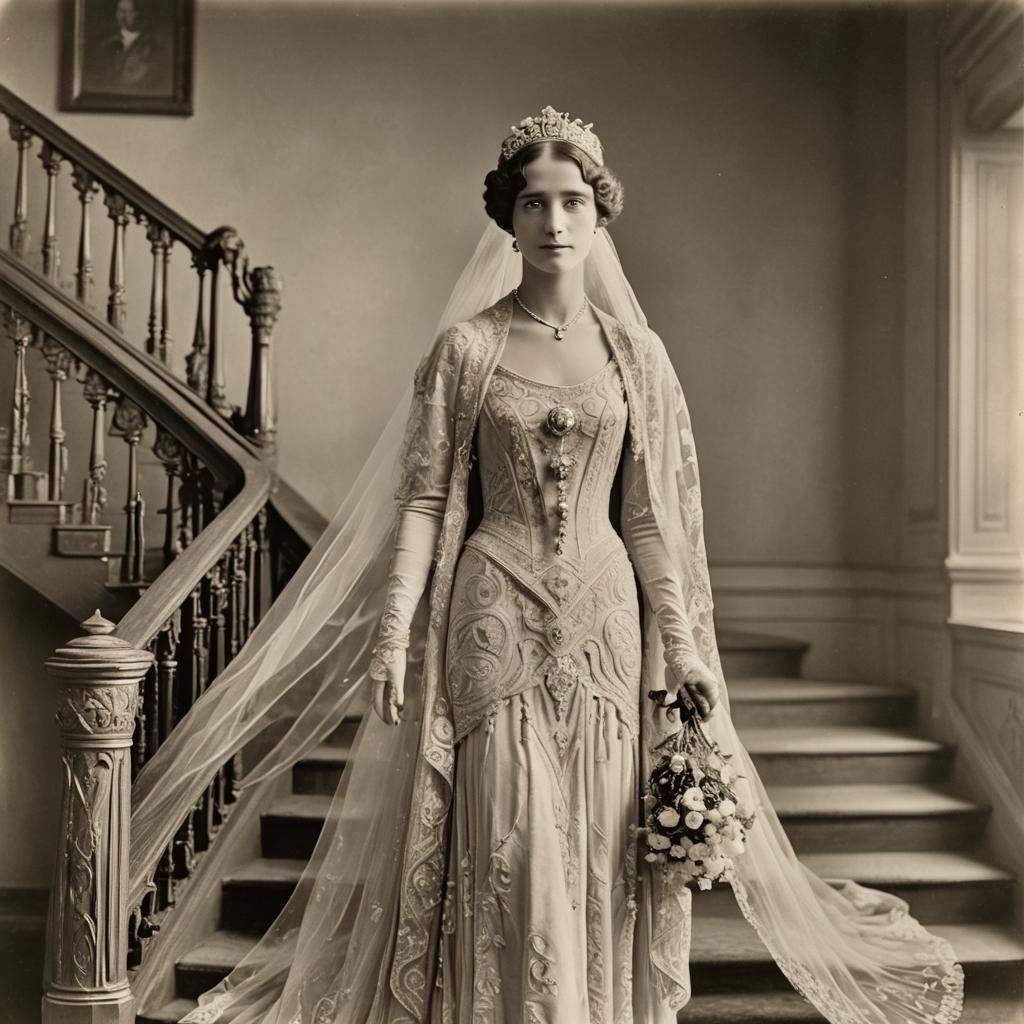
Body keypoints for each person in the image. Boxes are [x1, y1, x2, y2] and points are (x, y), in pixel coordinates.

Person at [130, 106, 965, 1023]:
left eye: (573, 201)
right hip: (491, 618)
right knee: (510, 843)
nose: (555, 223)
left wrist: (681, 645)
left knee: (599, 845)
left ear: (601, 212)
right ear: (508, 216)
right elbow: (422, 500)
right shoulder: (467, 349)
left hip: (607, 624)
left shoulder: (636, 356)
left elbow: (651, 523)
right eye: (534, 203)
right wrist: (396, 626)